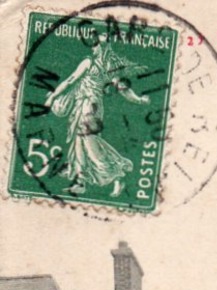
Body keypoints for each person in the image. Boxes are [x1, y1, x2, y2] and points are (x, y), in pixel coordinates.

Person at [45, 34, 150, 198]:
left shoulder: (94, 64)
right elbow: (71, 81)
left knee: (89, 143)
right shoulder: (106, 67)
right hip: (85, 106)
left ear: (102, 47)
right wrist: (139, 100)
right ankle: (81, 181)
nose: (93, 47)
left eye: (96, 44)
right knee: (80, 142)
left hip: (90, 107)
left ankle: (118, 172)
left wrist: (52, 97)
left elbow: (70, 81)